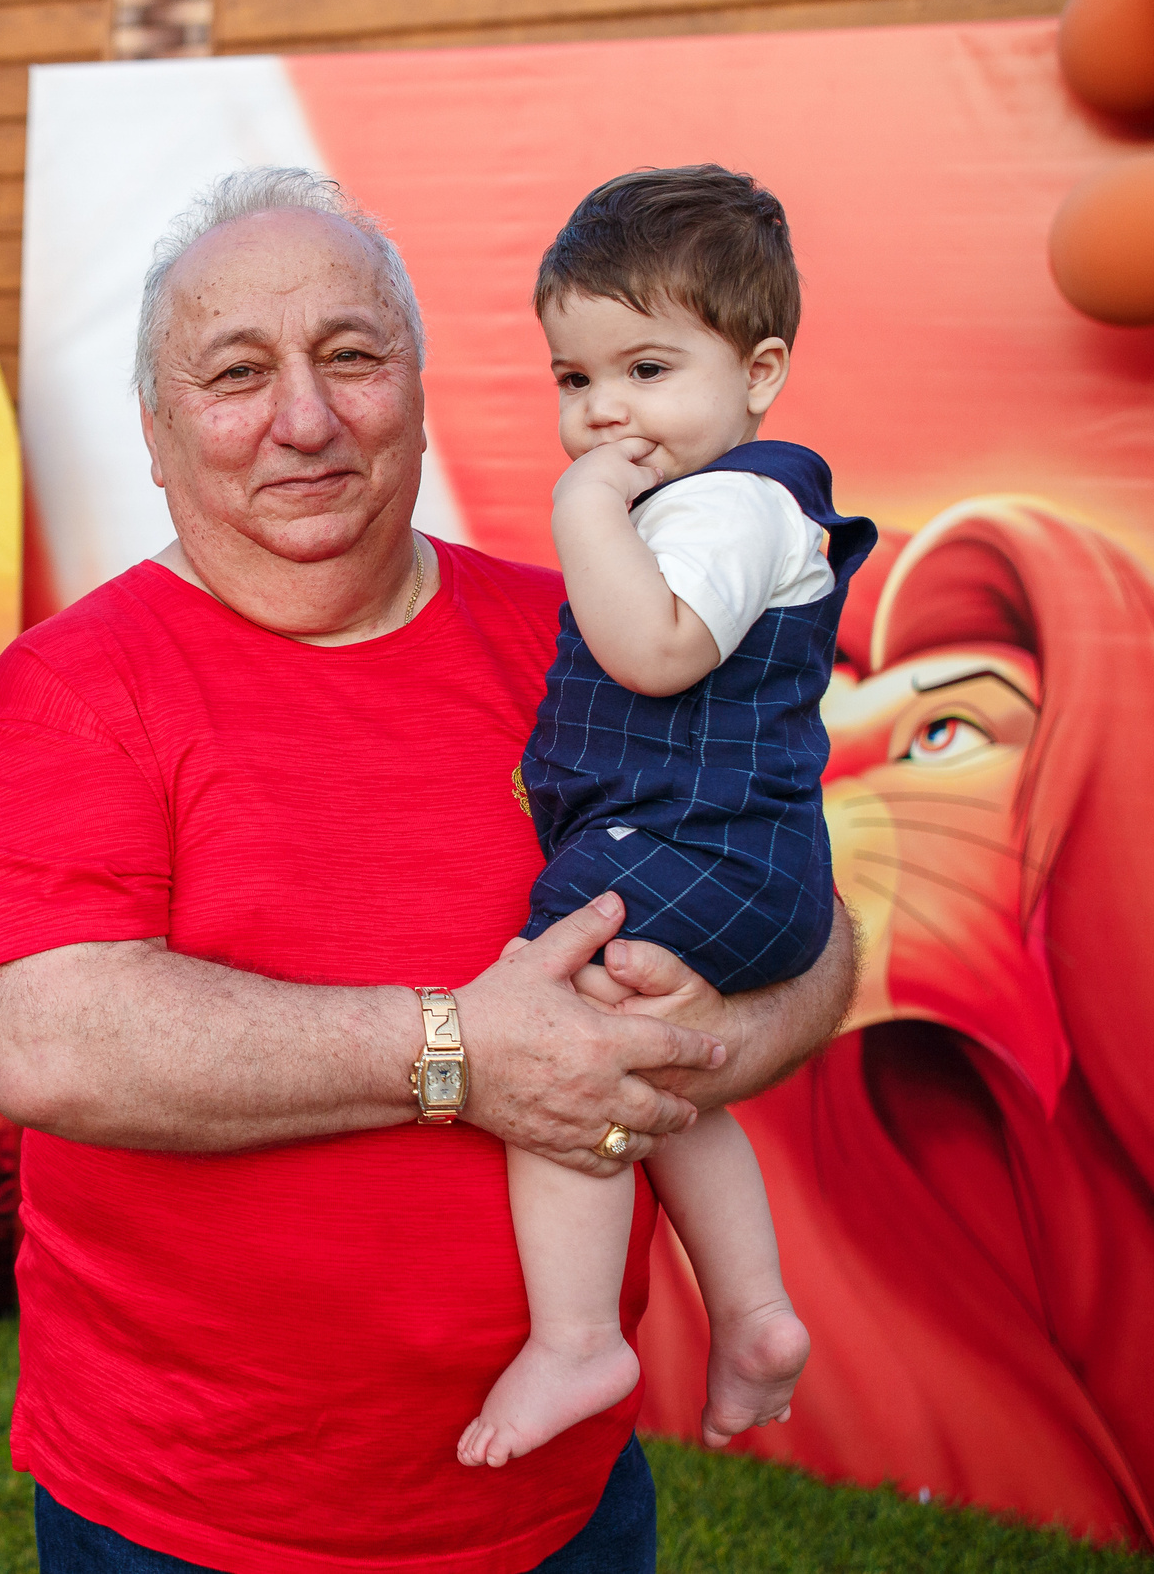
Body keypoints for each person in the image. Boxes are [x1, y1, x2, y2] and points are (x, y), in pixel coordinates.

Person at [0, 166, 857, 1574]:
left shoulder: (593, 633)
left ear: (420, 397)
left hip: (557, 1512)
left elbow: (816, 927)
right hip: (194, 1519)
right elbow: (52, 1045)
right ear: (158, 434)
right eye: (237, 374)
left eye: (351, 357)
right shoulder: (71, 688)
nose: (305, 419)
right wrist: (461, 1052)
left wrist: (686, 1039)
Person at [458, 168, 875, 1472]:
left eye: (646, 370)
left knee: (557, 1036)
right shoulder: (688, 507)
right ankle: (753, 1316)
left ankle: (579, 1336)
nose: (604, 412)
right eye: (574, 379)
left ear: (760, 372)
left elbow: (655, 654)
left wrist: (582, 508)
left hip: (708, 851)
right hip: (721, 856)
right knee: (653, 1078)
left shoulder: (735, 503)